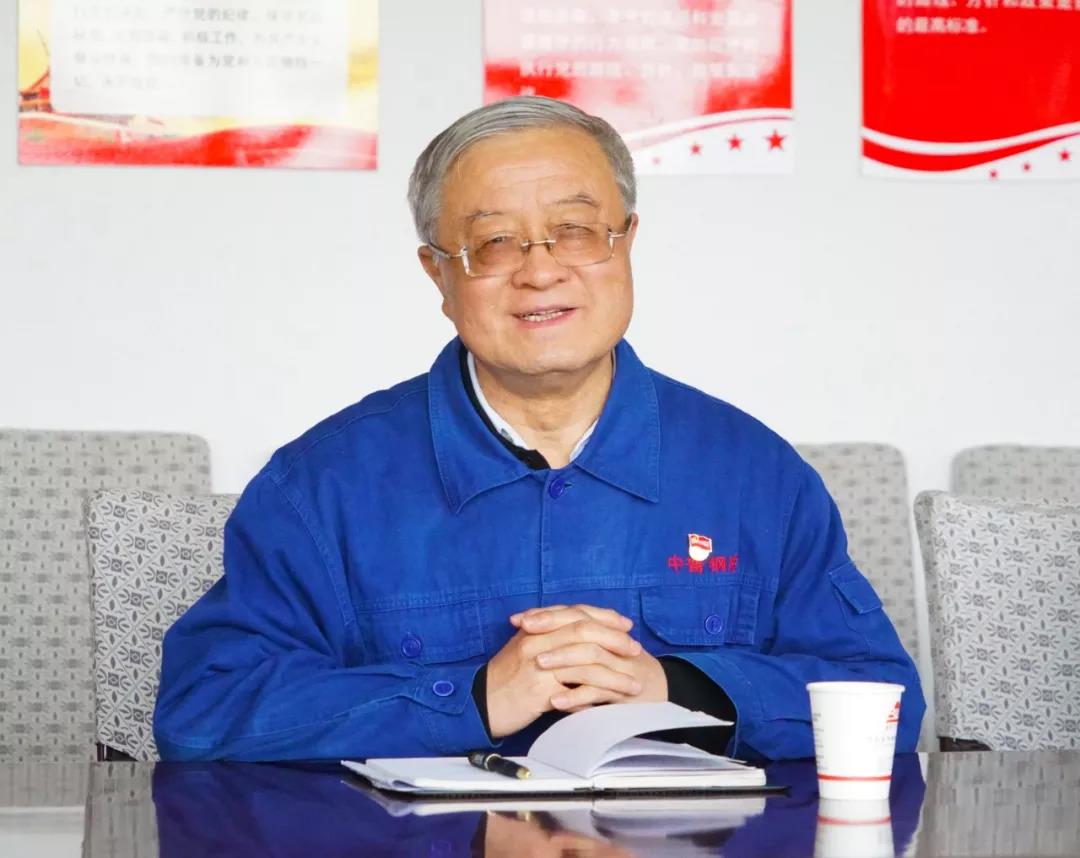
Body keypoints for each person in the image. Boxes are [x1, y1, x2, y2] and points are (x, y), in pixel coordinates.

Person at [154, 96, 924, 762]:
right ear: (437, 272)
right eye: (494, 242)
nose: (540, 270)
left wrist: (678, 687)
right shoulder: (319, 486)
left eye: (576, 230)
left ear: (627, 241)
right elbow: (203, 713)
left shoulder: (755, 473)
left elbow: (887, 705)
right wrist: (472, 696)